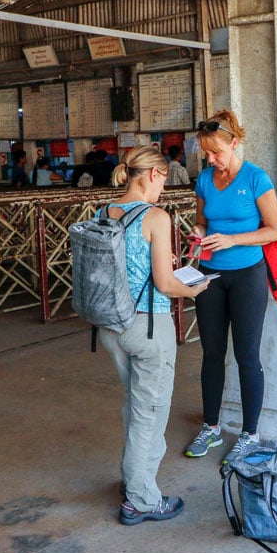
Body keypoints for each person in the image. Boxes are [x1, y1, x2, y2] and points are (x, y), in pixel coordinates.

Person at [98, 145, 210, 525]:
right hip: (148, 327)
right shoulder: (156, 217)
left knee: (135, 404)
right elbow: (165, 283)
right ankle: (141, 500)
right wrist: (193, 287)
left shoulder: (105, 211)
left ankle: (133, 479)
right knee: (150, 413)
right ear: (151, 175)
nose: (164, 186)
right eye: (163, 178)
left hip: (111, 327)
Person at [184, 109, 277, 466]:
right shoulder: (205, 180)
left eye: (216, 153)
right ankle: (211, 427)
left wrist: (233, 240)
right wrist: (197, 234)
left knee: (246, 356)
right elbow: (201, 221)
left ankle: (249, 434)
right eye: (205, 154)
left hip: (247, 276)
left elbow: (274, 229)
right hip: (209, 276)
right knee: (211, 354)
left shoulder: (256, 178)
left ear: (235, 143)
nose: (211, 160)